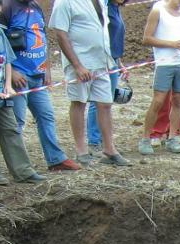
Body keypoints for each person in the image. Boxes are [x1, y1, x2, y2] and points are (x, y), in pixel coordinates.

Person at [0, 0, 80, 171]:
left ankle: (55, 159)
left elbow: (42, 38)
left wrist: (47, 69)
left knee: (47, 116)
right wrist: (11, 71)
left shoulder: (35, 7)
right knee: (17, 122)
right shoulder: (7, 8)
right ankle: (19, 167)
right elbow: (0, 44)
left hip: (37, 74)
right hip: (18, 76)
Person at [49, 0, 131, 166]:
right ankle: (81, 151)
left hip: (101, 61)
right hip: (80, 62)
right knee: (79, 103)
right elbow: (61, 34)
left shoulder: (99, 1)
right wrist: (77, 66)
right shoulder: (65, 2)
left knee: (105, 104)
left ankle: (109, 149)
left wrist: (115, 61)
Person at [139, 0, 180, 154]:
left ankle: (172, 137)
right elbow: (147, 38)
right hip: (164, 63)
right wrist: (171, 44)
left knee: (178, 99)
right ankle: (146, 138)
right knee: (158, 100)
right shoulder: (158, 10)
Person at [0, 19, 44, 184]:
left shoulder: (0, 33)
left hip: (2, 94)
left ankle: (23, 171)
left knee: (10, 129)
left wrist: (8, 86)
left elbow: (7, 60)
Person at [86, 0, 127, 153]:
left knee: (107, 101)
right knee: (99, 100)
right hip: (103, 60)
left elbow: (114, 39)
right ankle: (94, 140)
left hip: (113, 59)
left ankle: (105, 141)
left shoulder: (115, 8)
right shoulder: (105, 7)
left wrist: (119, 62)